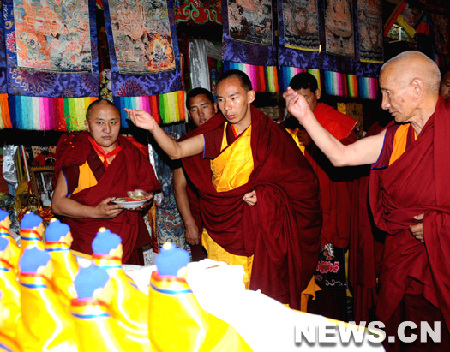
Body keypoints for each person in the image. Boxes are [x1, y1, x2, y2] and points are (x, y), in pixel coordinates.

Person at [284, 51, 450, 350]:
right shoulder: (397, 137)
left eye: (387, 93)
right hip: (403, 266)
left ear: (416, 87)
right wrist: (305, 116)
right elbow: (341, 155)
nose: (383, 104)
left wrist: (439, 228)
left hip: (443, 269)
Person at [126, 69, 322, 310]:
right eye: (220, 99)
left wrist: (266, 195)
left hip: (264, 232)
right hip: (223, 229)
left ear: (250, 96)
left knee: (262, 307)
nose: (227, 106)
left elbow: (303, 184)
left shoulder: (272, 136)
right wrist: (153, 127)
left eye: (233, 97)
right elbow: (176, 151)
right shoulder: (216, 134)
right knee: (229, 305)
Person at [284, 72, 358, 319]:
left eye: (305, 97)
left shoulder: (335, 121)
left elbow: (349, 162)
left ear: (317, 94)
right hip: (302, 213)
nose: (301, 104)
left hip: (330, 211)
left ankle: (332, 328)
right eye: (296, 99)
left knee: (328, 282)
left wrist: (314, 143)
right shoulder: (291, 124)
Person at [52, 99, 160, 265]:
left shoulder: (131, 153)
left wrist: (141, 204)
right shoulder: (77, 153)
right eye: (99, 122)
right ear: (88, 125)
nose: (107, 129)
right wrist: (96, 212)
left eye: (113, 122)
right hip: (86, 246)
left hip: (126, 241)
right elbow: (58, 204)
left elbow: (144, 193)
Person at [173, 87, 218, 260]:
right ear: (189, 114)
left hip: (231, 214)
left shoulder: (229, 134)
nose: (200, 114)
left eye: (204, 106)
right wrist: (189, 222)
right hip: (200, 216)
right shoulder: (184, 145)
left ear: (215, 107)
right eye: (194, 109)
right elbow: (179, 187)